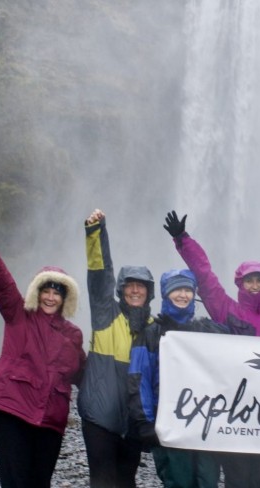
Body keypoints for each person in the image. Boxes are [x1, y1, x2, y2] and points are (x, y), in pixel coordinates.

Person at [163, 210, 260, 488]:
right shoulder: (226, 309)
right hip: (231, 406)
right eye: (249, 280)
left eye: (259, 280)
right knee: (237, 475)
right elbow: (204, 276)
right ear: (240, 284)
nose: (254, 286)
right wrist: (183, 239)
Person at [0, 223, 86, 488]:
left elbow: (85, 374)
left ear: (65, 299)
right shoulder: (18, 315)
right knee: (15, 482)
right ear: (38, 292)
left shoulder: (73, 334)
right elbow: (2, 285)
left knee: (40, 482)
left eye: (57, 293)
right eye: (46, 291)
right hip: (14, 411)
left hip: (50, 420)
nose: (51, 297)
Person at [128, 269, 227, 488]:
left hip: (203, 421)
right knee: (177, 480)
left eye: (187, 290)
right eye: (177, 290)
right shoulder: (151, 333)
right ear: (166, 294)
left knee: (207, 480)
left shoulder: (204, 330)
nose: (183, 295)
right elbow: (139, 378)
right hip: (169, 423)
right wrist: (146, 422)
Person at [78, 208, 156, 488]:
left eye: (141, 286)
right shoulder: (106, 315)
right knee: (102, 481)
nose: (135, 290)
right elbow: (100, 275)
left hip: (133, 421)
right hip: (100, 417)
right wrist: (96, 232)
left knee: (126, 480)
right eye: (129, 286)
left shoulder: (154, 329)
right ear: (121, 290)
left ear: (149, 292)